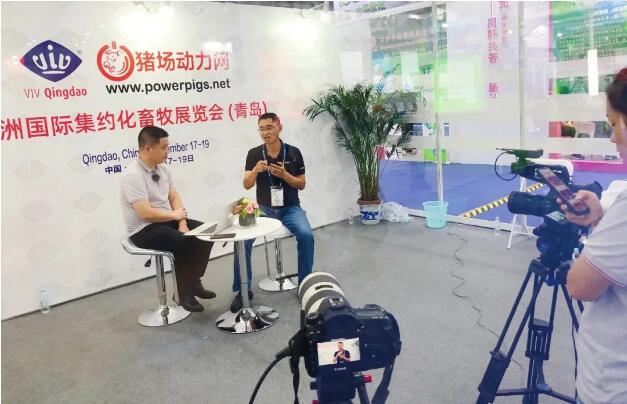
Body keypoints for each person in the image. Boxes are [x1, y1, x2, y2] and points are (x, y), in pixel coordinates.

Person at [562, 68, 627, 404]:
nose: (613, 138)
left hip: (613, 385)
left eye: (613, 123)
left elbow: (580, 286)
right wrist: (601, 219)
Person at [121, 125, 216, 313]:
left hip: (166, 220)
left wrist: (182, 222)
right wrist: (174, 216)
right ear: (148, 148)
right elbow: (145, 213)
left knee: (207, 232)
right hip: (143, 229)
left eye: (168, 147)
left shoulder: (163, 168)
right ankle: (183, 293)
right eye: (163, 147)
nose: (167, 151)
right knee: (184, 242)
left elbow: (174, 196)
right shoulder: (133, 175)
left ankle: (193, 282)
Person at [230, 112, 315, 312]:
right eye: (261, 129)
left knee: (306, 235)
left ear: (279, 128)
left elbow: (301, 184)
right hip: (265, 209)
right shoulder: (254, 154)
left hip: (290, 208)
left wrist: (285, 175)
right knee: (241, 239)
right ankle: (243, 290)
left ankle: (304, 284)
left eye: (269, 127)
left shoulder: (293, 152)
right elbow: (246, 184)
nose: (265, 132)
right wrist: (255, 171)